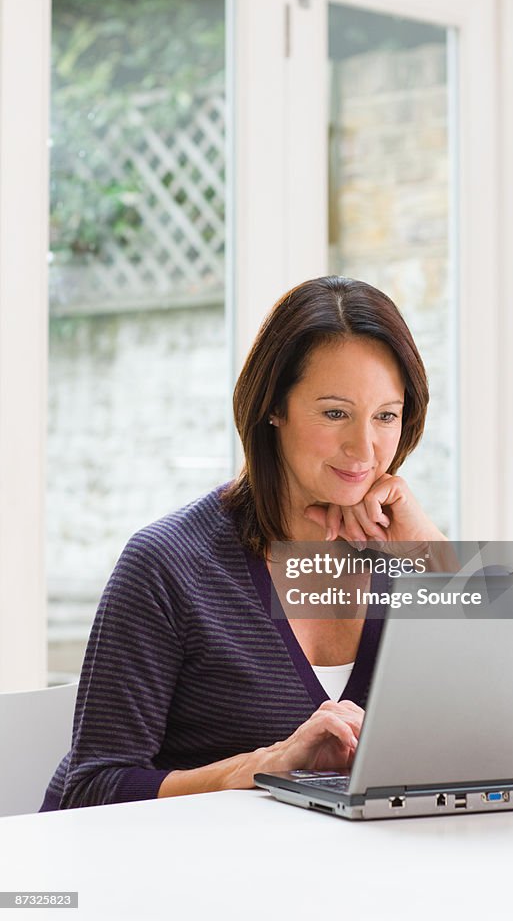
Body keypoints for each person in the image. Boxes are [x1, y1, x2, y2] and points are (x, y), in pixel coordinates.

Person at [41, 275, 446, 810]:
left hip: (350, 883)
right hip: (180, 881)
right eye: (334, 413)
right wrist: (265, 767)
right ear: (272, 408)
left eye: (385, 416)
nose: (364, 448)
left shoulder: (410, 553)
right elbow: (88, 790)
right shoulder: (167, 564)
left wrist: (432, 551)